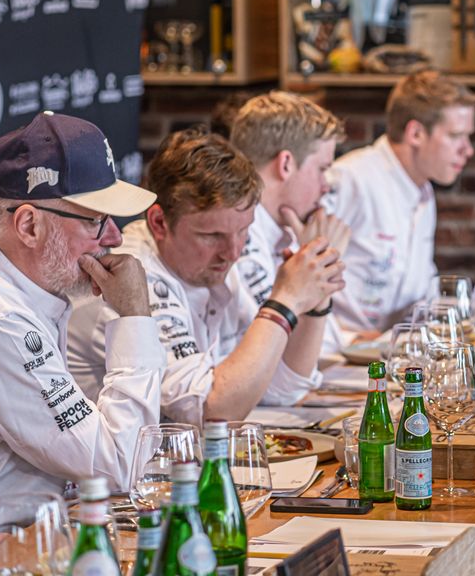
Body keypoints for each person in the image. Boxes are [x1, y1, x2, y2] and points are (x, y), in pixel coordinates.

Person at [68, 128, 344, 425]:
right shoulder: (130, 278)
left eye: (244, 230)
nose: (232, 253)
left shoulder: (216, 264)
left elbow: (281, 388)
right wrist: (284, 303)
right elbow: (212, 410)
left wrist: (317, 297)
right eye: (212, 236)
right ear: (159, 222)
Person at [0, 112, 164, 526]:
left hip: (40, 534)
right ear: (29, 225)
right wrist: (134, 316)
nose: (115, 237)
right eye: (95, 220)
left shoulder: (23, 289)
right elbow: (122, 465)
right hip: (0, 549)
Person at [325, 69, 475, 335]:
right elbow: (292, 277)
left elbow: (420, 288)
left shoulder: (422, 189)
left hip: (395, 347)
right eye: (456, 136)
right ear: (416, 133)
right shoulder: (350, 179)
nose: (468, 150)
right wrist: (345, 339)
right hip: (339, 353)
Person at [228, 91, 351, 358]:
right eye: (322, 169)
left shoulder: (287, 229)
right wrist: (322, 255)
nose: (326, 185)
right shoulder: (239, 238)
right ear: (285, 164)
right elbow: (294, 354)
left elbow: (333, 341)